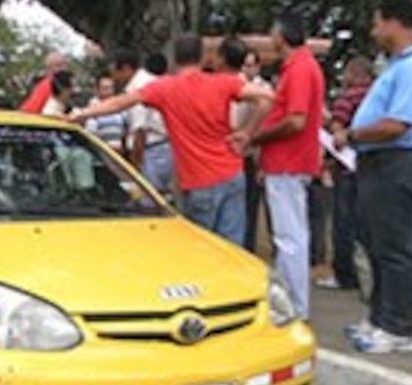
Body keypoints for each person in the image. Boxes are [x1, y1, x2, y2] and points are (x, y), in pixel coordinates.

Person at [72, 34, 275, 245]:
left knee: (203, 249)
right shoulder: (223, 83)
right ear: (203, 58)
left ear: (175, 59)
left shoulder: (165, 88)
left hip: (199, 180)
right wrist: (247, 133)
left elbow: (119, 103)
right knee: (233, 248)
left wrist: (81, 114)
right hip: (232, 172)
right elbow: (267, 98)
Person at [333, 0, 412, 354]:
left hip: (396, 161)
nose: (374, 31)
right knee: (378, 245)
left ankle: (398, 327)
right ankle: (379, 317)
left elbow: (397, 123)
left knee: (395, 248)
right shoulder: (396, 65)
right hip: (377, 162)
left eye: (378, 23)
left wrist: (352, 134)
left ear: (396, 23)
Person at [242, 15, 324, 321]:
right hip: (288, 161)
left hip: (288, 161)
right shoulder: (300, 67)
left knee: (289, 237)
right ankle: (290, 301)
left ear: (281, 38)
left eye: (272, 35)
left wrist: (257, 137)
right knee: (290, 235)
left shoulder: (300, 69)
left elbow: (295, 120)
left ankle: (295, 306)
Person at [316, 57, 373, 291]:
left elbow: (338, 129)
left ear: (353, 73)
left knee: (343, 222)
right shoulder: (378, 95)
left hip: (347, 165)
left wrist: (329, 125)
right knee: (364, 223)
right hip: (371, 165)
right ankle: (366, 274)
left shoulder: (347, 98)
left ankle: (344, 275)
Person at [239, 48, 273, 253]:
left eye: (252, 65)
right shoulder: (236, 86)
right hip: (239, 150)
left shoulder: (265, 89)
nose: (248, 69)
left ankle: (250, 244)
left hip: (257, 150)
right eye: (245, 65)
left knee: (254, 202)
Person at [128, 52, 173, 194]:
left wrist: (133, 168)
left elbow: (140, 129)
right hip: (166, 148)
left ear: (124, 69)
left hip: (151, 151)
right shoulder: (162, 83)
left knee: (148, 202)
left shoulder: (138, 87)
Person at [84, 75, 129, 155]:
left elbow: (126, 127)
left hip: (120, 152)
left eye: (110, 87)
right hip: (102, 153)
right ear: (97, 90)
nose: (108, 91)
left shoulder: (120, 107)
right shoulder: (93, 108)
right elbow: (91, 132)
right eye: (105, 88)